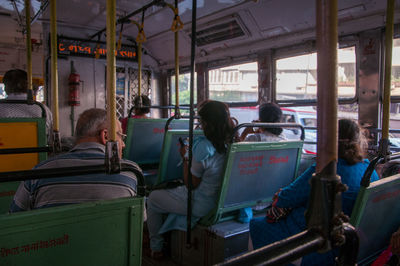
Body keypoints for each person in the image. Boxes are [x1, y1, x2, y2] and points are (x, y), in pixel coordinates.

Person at [249, 119, 379, 266]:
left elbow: (287, 197)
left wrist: (280, 195)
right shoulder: (369, 170)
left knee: (256, 225)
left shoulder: (325, 169)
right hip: (349, 242)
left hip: (317, 242)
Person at [9, 108, 143, 213]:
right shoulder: (130, 172)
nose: (123, 144)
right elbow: (138, 220)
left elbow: (15, 216)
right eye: (120, 136)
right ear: (106, 136)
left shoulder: (39, 173)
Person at [146, 100, 235, 257]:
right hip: (223, 201)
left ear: (207, 123)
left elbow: (190, 184)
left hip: (202, 204)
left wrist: (185, 157)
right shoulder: (234, 141)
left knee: (153, 199)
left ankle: (156, 247)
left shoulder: (203, 147)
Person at [0, 69, 53, 141]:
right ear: (28, 86)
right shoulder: (43, 109)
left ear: (6, 87)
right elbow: (49, 136)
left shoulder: (1, 107)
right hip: (37, 151)